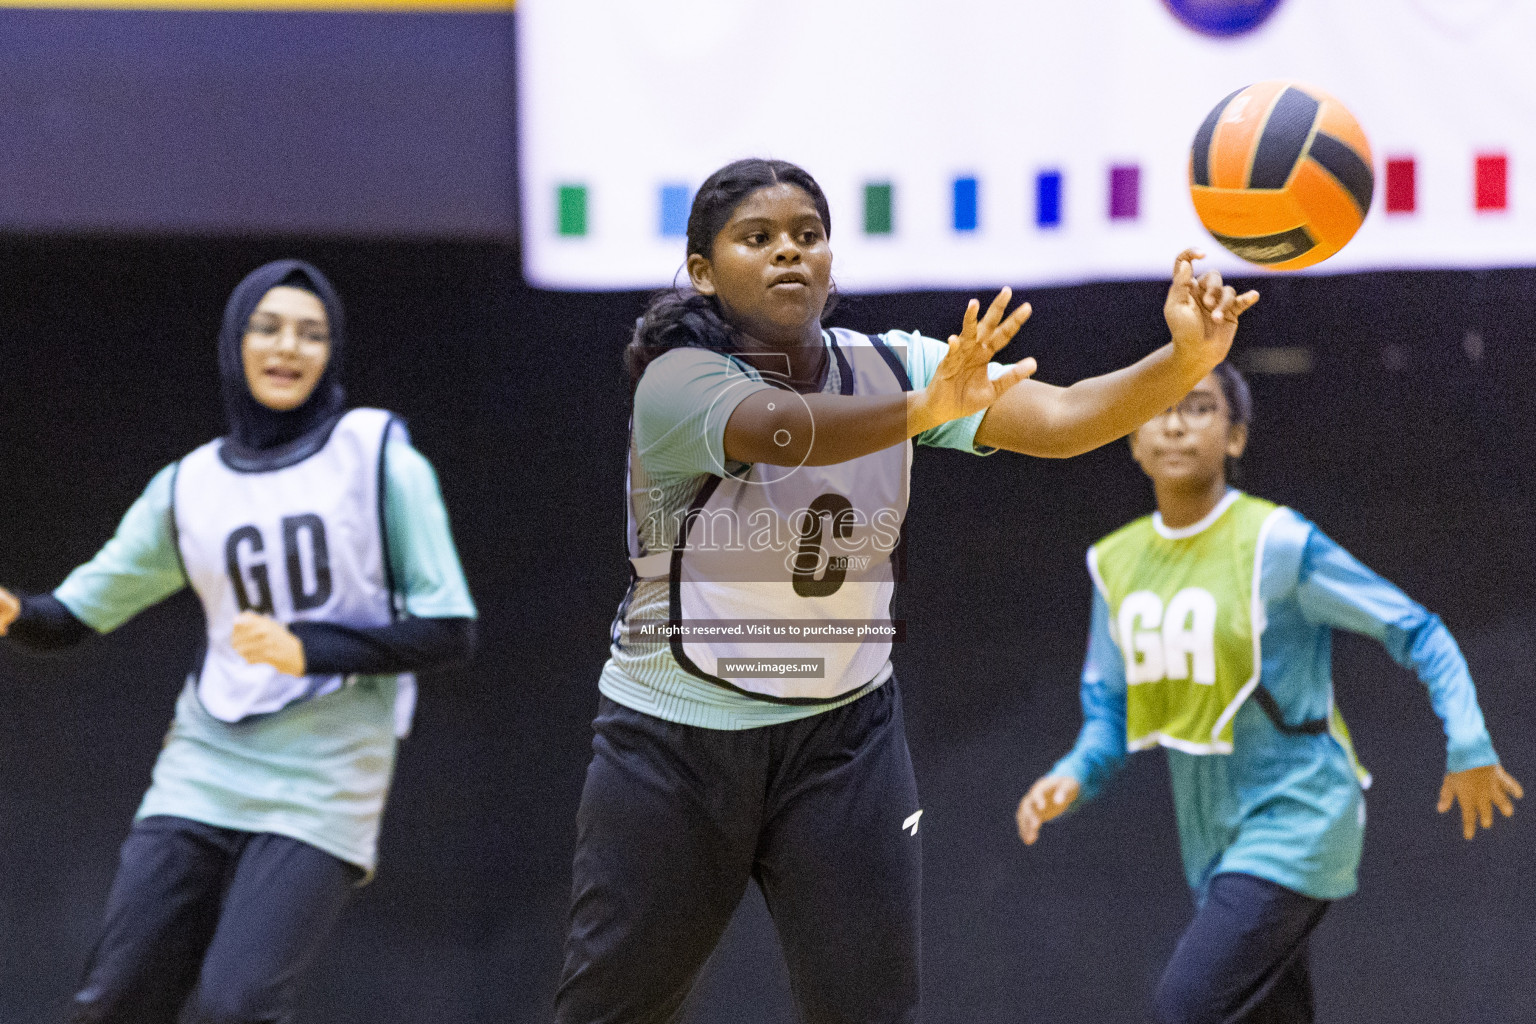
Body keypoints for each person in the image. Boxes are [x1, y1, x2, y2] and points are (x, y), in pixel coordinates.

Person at [555, 157, 1259, 1024]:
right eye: (758, 238)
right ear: (703, 270)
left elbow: (1070, 420)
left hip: (843, 739)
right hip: (673, 743)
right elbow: (786, 432)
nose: (789, 254)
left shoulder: (901, 369)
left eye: (808, 236)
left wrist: (1185, 356)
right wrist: (928, 410)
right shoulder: (677, 381)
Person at [0, 259, 476, 1024]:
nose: (288, 346)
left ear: (332, 352)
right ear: (234, 342)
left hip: (325, 776)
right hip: (205, 765)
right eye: (269, 327)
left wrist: (305, 649)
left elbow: (450, 631)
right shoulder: (190, 486)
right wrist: (13, 611)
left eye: (311, 333)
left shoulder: (376, 452)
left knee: (236, 1005)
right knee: (115, 1000)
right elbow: (70, 618)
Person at [1015, 361, 1522, 1024]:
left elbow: (1418, 630)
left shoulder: (1275, 543)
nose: (1172, 423)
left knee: (1183, 1008)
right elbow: (1108, 719)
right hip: (1213, 841)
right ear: (1130, 438)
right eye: (1155, 409)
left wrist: (1470, 741)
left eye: (1197, 407)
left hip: (1302, 817)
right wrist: (1071, 776)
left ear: (1236, 437)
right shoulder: (1115, 562)